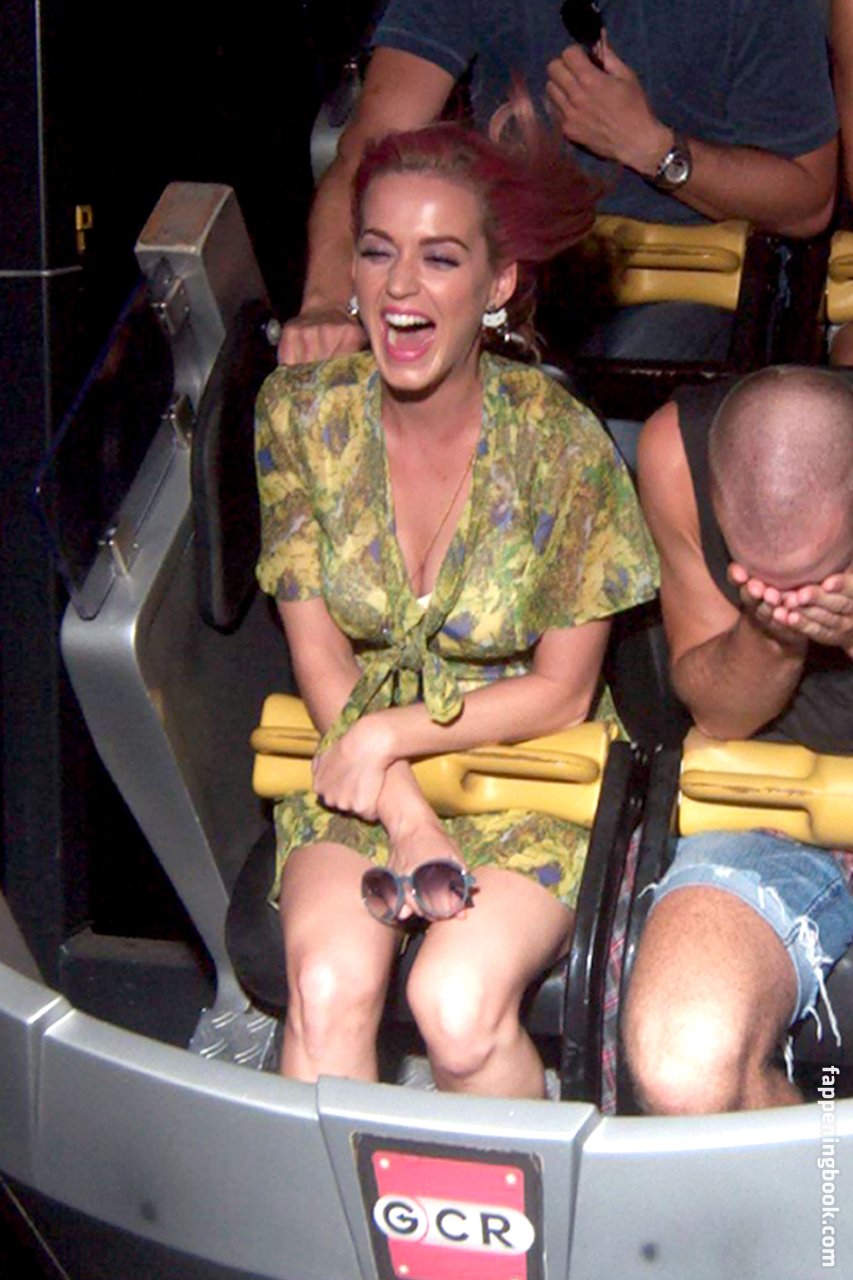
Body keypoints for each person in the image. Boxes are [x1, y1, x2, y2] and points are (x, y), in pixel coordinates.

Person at [254, 104, 658, 1097]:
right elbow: (319, 657)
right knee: (325, 985)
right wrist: (401, 809)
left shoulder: (560, 444)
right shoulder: (300, 418)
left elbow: (563, 693)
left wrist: (389, 734)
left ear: (498, 283)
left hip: (524, 770)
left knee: (457, 1004)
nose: (399, 286)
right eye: (376, 251)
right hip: (355, 768)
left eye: (439, 258)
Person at [278, 0, 837, 367]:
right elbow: (369, 151)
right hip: (517, 274)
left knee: (609, 429)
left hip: (690, 278)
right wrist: (326, 305)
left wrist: (654, 150)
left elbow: (809, 199)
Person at [624, 366, 853, 1113]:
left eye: (815, 575)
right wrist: (772, 636)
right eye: (758, 579)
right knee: (683, 1063)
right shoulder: (675, 453)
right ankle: (823, 1192)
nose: (790, 597)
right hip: (771, 800)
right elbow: (721, 716)